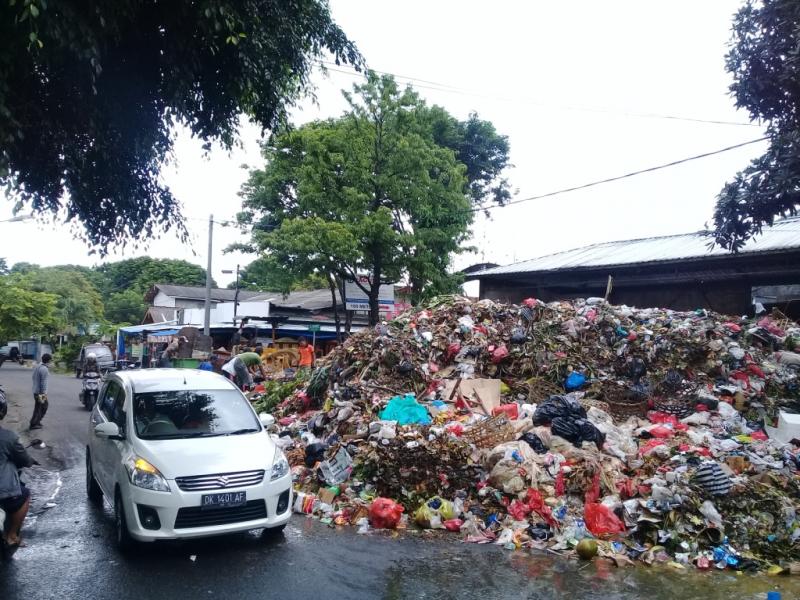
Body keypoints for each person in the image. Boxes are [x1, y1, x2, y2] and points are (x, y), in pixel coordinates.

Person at [1, 388, 35, 557]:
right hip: (5, 493)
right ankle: (12, 535)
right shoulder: (8, 437)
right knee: (25, 494)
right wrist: (29, 461)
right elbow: (23, 459)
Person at [30, 353, 51, 430]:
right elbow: (44, 382)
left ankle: (35, 422)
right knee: (43, 407)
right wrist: (43, 393)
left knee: (38, 407)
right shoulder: (44, 369)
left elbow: (33, 377)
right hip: (40, 393)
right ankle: (34, 423)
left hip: (36, 391)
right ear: (48, 360)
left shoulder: (38, 366)